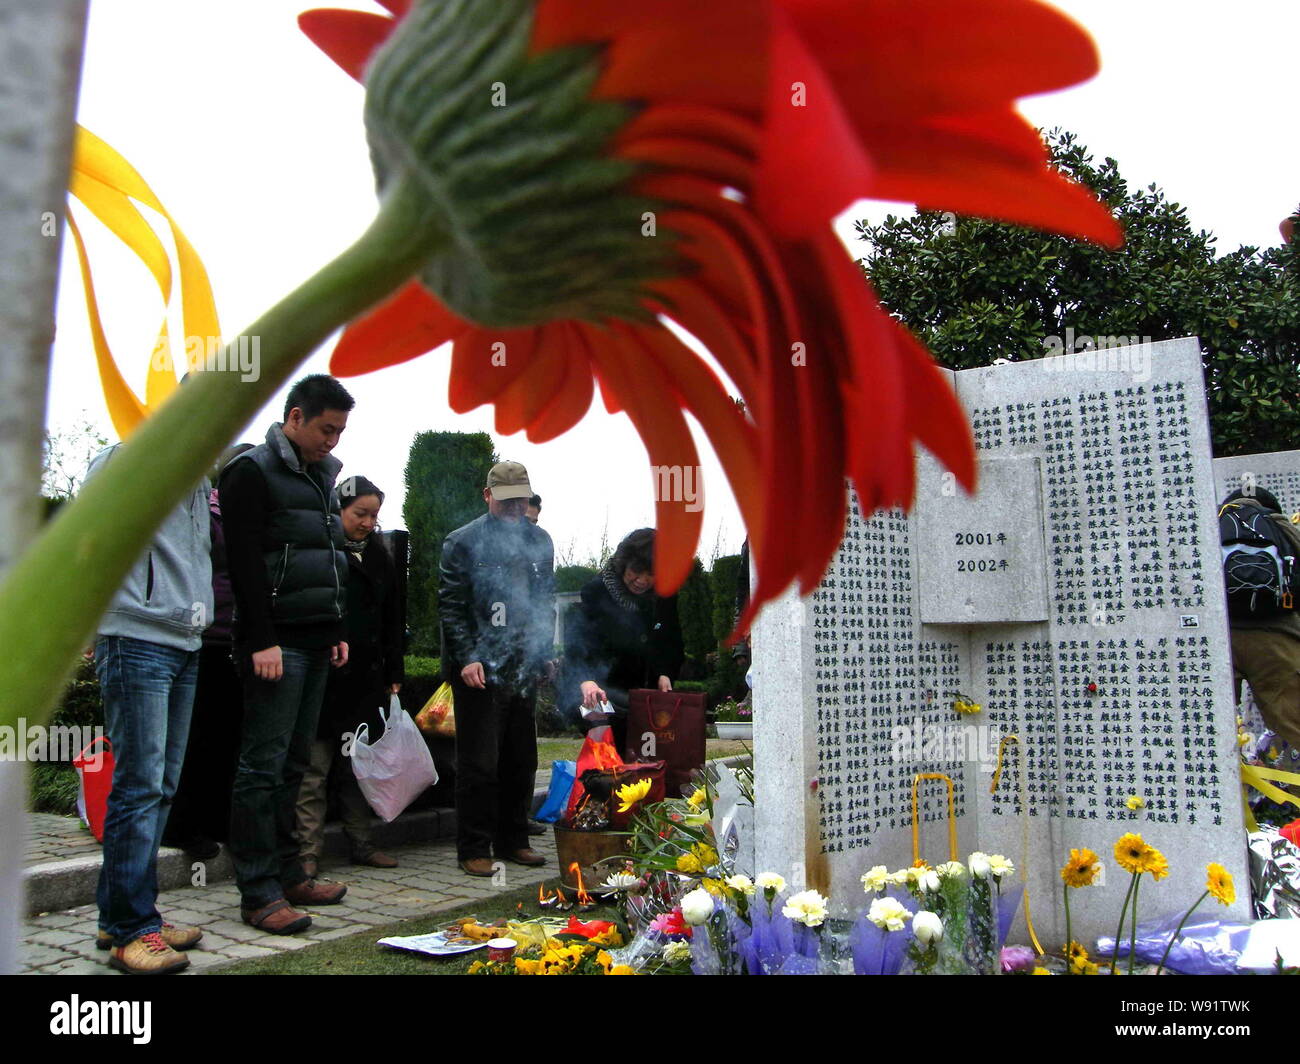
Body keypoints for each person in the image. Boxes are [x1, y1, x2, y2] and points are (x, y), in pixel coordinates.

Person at [220, 374, 354, 934]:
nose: (334, 442)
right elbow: (245, 562)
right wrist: (260, 638)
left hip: (315, 640)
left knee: (295, 766)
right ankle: (258, 892)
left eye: (341, 432)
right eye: (327, 429)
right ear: (295, 417)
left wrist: (335, 626)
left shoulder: (323, 473)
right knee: (261, 767)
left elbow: (327, 555)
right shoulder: (250, 470)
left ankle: (292, 874)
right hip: (276, 644)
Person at [88, 442, 213, 974]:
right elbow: (88, 537)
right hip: (135, 637)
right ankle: (128, 931)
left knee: (159, 786)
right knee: (138, 787)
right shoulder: (126, 459)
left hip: (184, 642)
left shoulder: (204, 478)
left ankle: (125, 913)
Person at [440, 461, 554, 877]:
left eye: (521, 499)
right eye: (506, 500)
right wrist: (466, 655)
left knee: (521, 758)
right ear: (488, 496)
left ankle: (513, 839)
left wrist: (543, 652)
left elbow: (545, 601)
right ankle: (473, 846)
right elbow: (451, 606)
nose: (514, 507)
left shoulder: (540, 540)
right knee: (479, 762)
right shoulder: (462, 542)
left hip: (522, 662)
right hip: (480, 666)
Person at [294, 475, 404, 876]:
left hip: (367, 680)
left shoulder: (380, 557)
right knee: (315, 769)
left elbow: (393, 618)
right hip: (326, 679)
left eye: (374, 515)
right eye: (360, 513)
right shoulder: (319, 550)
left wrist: (395, 670)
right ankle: (307, 854)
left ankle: (362, 842)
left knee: (360, 766)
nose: (368, 523)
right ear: (337, 509)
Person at [163, 442, 254, 861]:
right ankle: (182, 826)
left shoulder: (245, 518)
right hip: (206, 637)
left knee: (227, 738)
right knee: (197, 737)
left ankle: (218, 820)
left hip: (236, 640)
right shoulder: (209, 514)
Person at [562, 528, 685, 754]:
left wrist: (664, 672)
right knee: (611, 754)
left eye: (651, 574)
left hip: (644, 691)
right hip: (603, 687)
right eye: (637, 571)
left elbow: (669, 638)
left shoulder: (664, 594)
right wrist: (585, 679)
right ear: (623, 564)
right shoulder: (596, 591)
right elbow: (579, 640)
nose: (642, 581)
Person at [1221, 487, 1300, 756]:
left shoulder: (1214, 526)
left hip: (1221, 640)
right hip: (1277, 638)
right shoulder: (1280, 527)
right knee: (1294, 723)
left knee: (1216, 728)